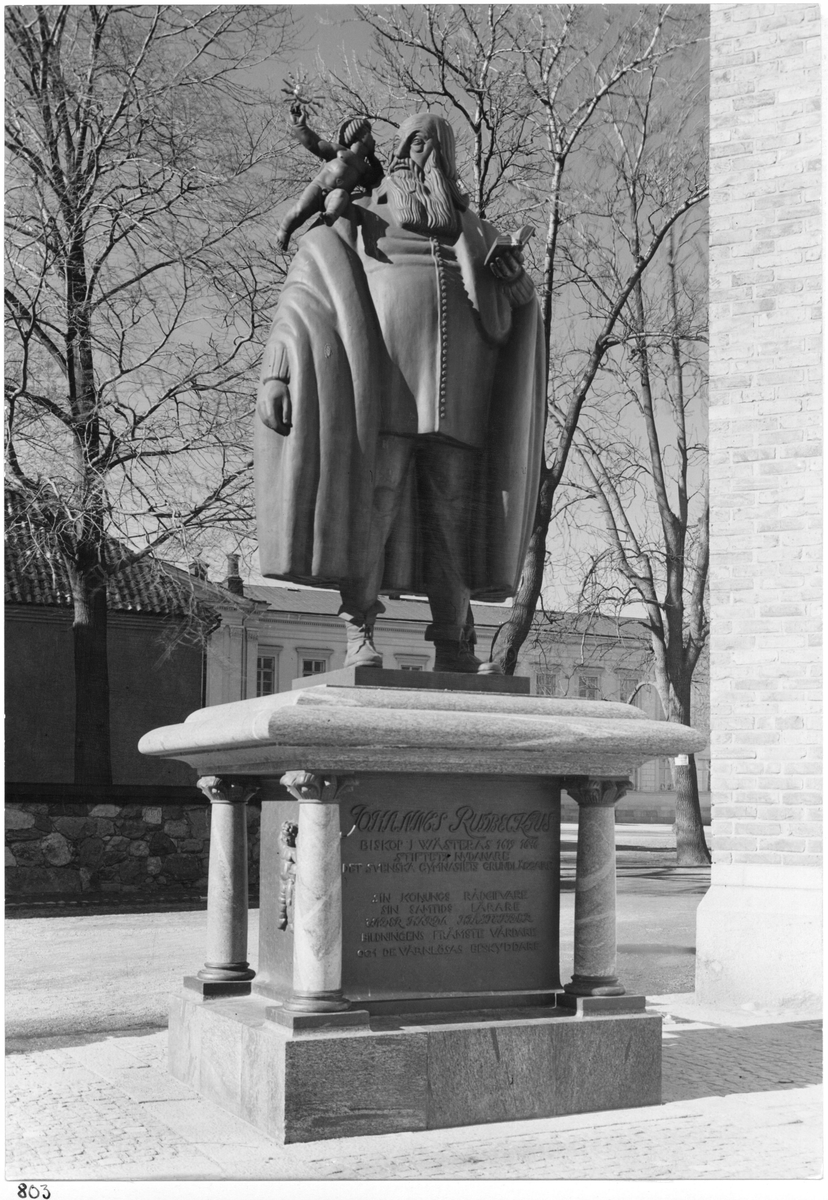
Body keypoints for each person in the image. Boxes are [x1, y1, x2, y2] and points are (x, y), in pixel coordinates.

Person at [255, 112, 545, 673]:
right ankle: (359, 630)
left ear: (448, 159)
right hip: (380, 391)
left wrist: (513, 281)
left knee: (452, 519)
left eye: (433, 148)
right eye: (412, 145)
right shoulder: (362, 216)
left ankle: (453, 644)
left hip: (460, 399)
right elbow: (309, 281)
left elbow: (510, 315)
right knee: (374, 507)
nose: (421, 156)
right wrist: (278, 368)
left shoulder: (476, 230)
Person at [276, 104, 384, 250]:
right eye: (370, 134)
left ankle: (330, 215)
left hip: (332, 195)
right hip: (319, 187)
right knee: (300, 210)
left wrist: (372, 156)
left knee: (341, 195)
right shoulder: (340, 151)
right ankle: (285, 231)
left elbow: (377, 179)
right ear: (360, 135)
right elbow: (315, 144)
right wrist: (300, 126)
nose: (373, 139)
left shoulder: (364, 168)